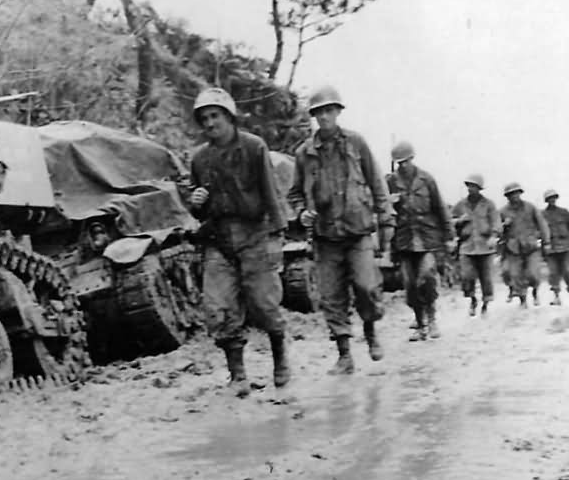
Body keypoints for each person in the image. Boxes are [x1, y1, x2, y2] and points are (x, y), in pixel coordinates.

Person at [187, 87, 290, 396]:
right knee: (219, 308)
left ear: (229, 116)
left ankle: (280, 359)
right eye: (204, 118)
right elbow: (197, 207)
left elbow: (271, 193)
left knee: (265, 304)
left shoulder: (254, 147)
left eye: (215, 115)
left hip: (255, 234)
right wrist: (196, 201)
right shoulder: (200, 158)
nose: (210, 123)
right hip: (219, 238)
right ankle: (238, 375)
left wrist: (278, 233)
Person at [287, 85, 393, 374]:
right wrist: (301, 212)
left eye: (329, 111)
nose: (324, 117)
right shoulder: (304, 154)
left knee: (366, 286)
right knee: (331, 296)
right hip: (325, 236)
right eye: (319, 112)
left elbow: (376, 183)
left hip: (357, 231)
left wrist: (386, 221)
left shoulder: (356, 143)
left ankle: (370, 332)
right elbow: (295, 194)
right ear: (314, 116)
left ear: (337, 112)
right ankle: (344, 354)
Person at [386, 141, 453, 340]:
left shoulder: (426, 180)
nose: (403, 166)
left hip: (427, 239)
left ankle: (432, 320)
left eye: (406, 161)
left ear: (412, 159)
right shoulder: (390, 182)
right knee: (410, 284)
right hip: (404, 240)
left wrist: (449, 237)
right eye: (399, 163)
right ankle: (420, 324)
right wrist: (390, 202)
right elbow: (381, 208)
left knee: (427, 277)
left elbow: (440, 209)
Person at [451, 174, 502, 316]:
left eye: (474, 186)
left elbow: (496, 222)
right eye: (469, 186)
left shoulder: (489, 204)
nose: (471, 189)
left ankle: (485, 303)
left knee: (486, 277)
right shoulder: (460, 205)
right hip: (467, 246)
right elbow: (450, 222)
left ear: (479, 188)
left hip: (485, 247)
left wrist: (494, 236)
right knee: (467, 276)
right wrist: (459, 221)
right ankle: (472, 299)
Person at [499, 182, 549, 307]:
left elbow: (542, 225)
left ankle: (535, 292)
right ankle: (523, 300)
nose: (514, 196)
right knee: (515, 275)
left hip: (531, 246)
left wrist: (546, 241)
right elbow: (496, 229)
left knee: (533, 273)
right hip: (513, 248)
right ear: (507, 196)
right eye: (510, 194)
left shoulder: (530, 207)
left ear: (520, 193)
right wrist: (504, 225)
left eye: (516, 193)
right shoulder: (502, 211)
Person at [541, 189, 569, 306]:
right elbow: (539, 231)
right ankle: (556, 296)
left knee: (567, 271)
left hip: (565, 247)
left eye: (553, 197)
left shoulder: (564, 212)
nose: (552, 200)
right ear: (546, 200)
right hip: (551, 248)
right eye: (549, 198)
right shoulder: (542, 215)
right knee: (553, 273)